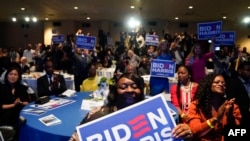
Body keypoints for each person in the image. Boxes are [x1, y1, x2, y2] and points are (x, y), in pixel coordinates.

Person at [69, 73, 193, 141]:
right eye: (123, 87)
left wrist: (185, 134)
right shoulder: (96, 115)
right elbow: (77, 135)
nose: (129, 90)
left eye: (134, 86)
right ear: (115, 91)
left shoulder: (156, 114)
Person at [187, 73, 241, 141]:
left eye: (223, 83)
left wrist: (229, 115)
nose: (221, 84)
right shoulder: (196, 105)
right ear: (208, 85)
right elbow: (194, 130)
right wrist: (216, 119)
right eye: (217, 82)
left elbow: (236, 132)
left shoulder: (232, 106)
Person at [0, 67, 29, 140]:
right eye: (11, 74)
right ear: (7, 76)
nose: (13, 76)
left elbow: (27, 102)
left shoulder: (22, 88)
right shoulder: (1, 88)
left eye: (15, 75)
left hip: (20, 113)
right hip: (5, 114)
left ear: (18, 77)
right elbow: (1, 106)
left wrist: (20, 102)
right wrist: (14, 104)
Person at [226, 61, 250, 135]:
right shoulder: (233, 82)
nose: (249, 72)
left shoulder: (249, 81)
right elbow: (233, 100)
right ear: (240, 71)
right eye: (248, 70)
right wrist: (247, 108)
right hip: (241, 115)